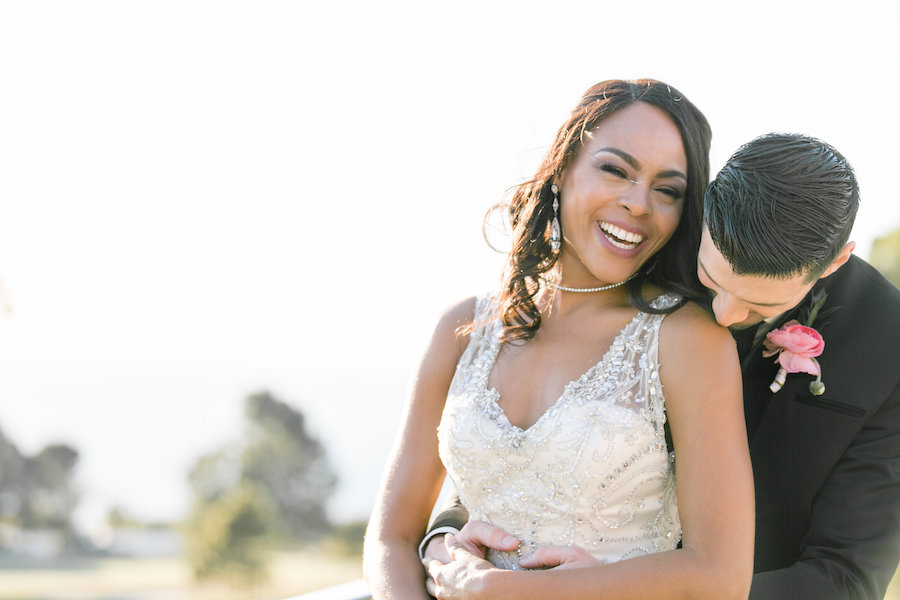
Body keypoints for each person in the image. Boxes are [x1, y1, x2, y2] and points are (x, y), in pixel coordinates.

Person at [423, 133, 900, 600]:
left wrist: (615, 590)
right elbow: (523, 438)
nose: (723, 317)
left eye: (756, 306)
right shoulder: (642, 250)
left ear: (835, 262)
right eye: (711, 281)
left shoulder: (886, 346)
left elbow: (847, 578)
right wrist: (443, 538)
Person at [363, 78, 755, 600]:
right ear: (563, 167)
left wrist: (508, 592)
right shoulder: (463, 329)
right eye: (615, 169)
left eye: (668, 190)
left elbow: (720, 576)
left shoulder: (687, 340)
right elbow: (391, 537)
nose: (639, 203)